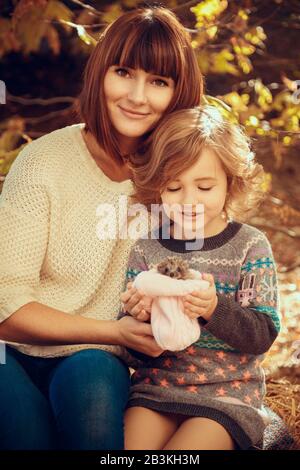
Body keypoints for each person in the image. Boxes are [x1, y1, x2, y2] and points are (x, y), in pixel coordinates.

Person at [0, 7, 203, 450]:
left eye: (159, 81)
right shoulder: (44, 162)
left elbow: (200, 267)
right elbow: (6, 307)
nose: (137, 96)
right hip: (7, 351)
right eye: (124, 72)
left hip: (92, 357)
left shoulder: (178, 178)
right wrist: (113, 332)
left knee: (93, 415)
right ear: (100, 73)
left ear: (178, 91)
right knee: (30, 440)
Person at [119, 105, 281, 450]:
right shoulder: (147, 250)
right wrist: (141, 317)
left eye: (204, 187)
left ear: (230, 183)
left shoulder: (249, 246)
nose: (189, 201)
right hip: (157, 392)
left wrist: (213, 308)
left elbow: (262, 334)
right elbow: (133, 355)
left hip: (229, 396)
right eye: (174, 188)